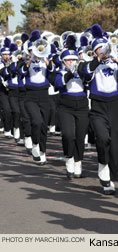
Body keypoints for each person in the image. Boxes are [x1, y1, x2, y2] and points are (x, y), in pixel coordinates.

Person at [80, 24, 118, 194]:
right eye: (99, 49)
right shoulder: (90, 64)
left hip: (115, 104)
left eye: (104, 48)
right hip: (98, 106)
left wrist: (116, 59)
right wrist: (98, 59)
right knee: (102, 138)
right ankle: (103, 169)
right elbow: (85, 72)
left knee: (115, 144)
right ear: (94, 51)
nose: (103, 51)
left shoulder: (116, 62)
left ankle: (110, 173)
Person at [54, 35, 89, 179]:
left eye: (74, 60)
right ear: (63, 62)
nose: (72, 62)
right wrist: (70, 72)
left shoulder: (82, 72)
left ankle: (78, 161)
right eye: (68, 60)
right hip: (65, 107)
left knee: (80, 137)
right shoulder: (60, 72)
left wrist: (81, 71)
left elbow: (90, 78)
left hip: (82, 106)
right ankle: (69, 158)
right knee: (68, 135)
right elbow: (58, 83)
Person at [18, 30, 55, 164]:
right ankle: (34, 144)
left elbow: (52, 72)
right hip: (30, 95)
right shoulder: (25, 62)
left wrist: (46, 60)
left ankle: (42, 151)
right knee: (36, 121)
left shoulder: (45, 60)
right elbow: (20, 73)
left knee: (44, 125)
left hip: (44, 94)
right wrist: (29, 61)